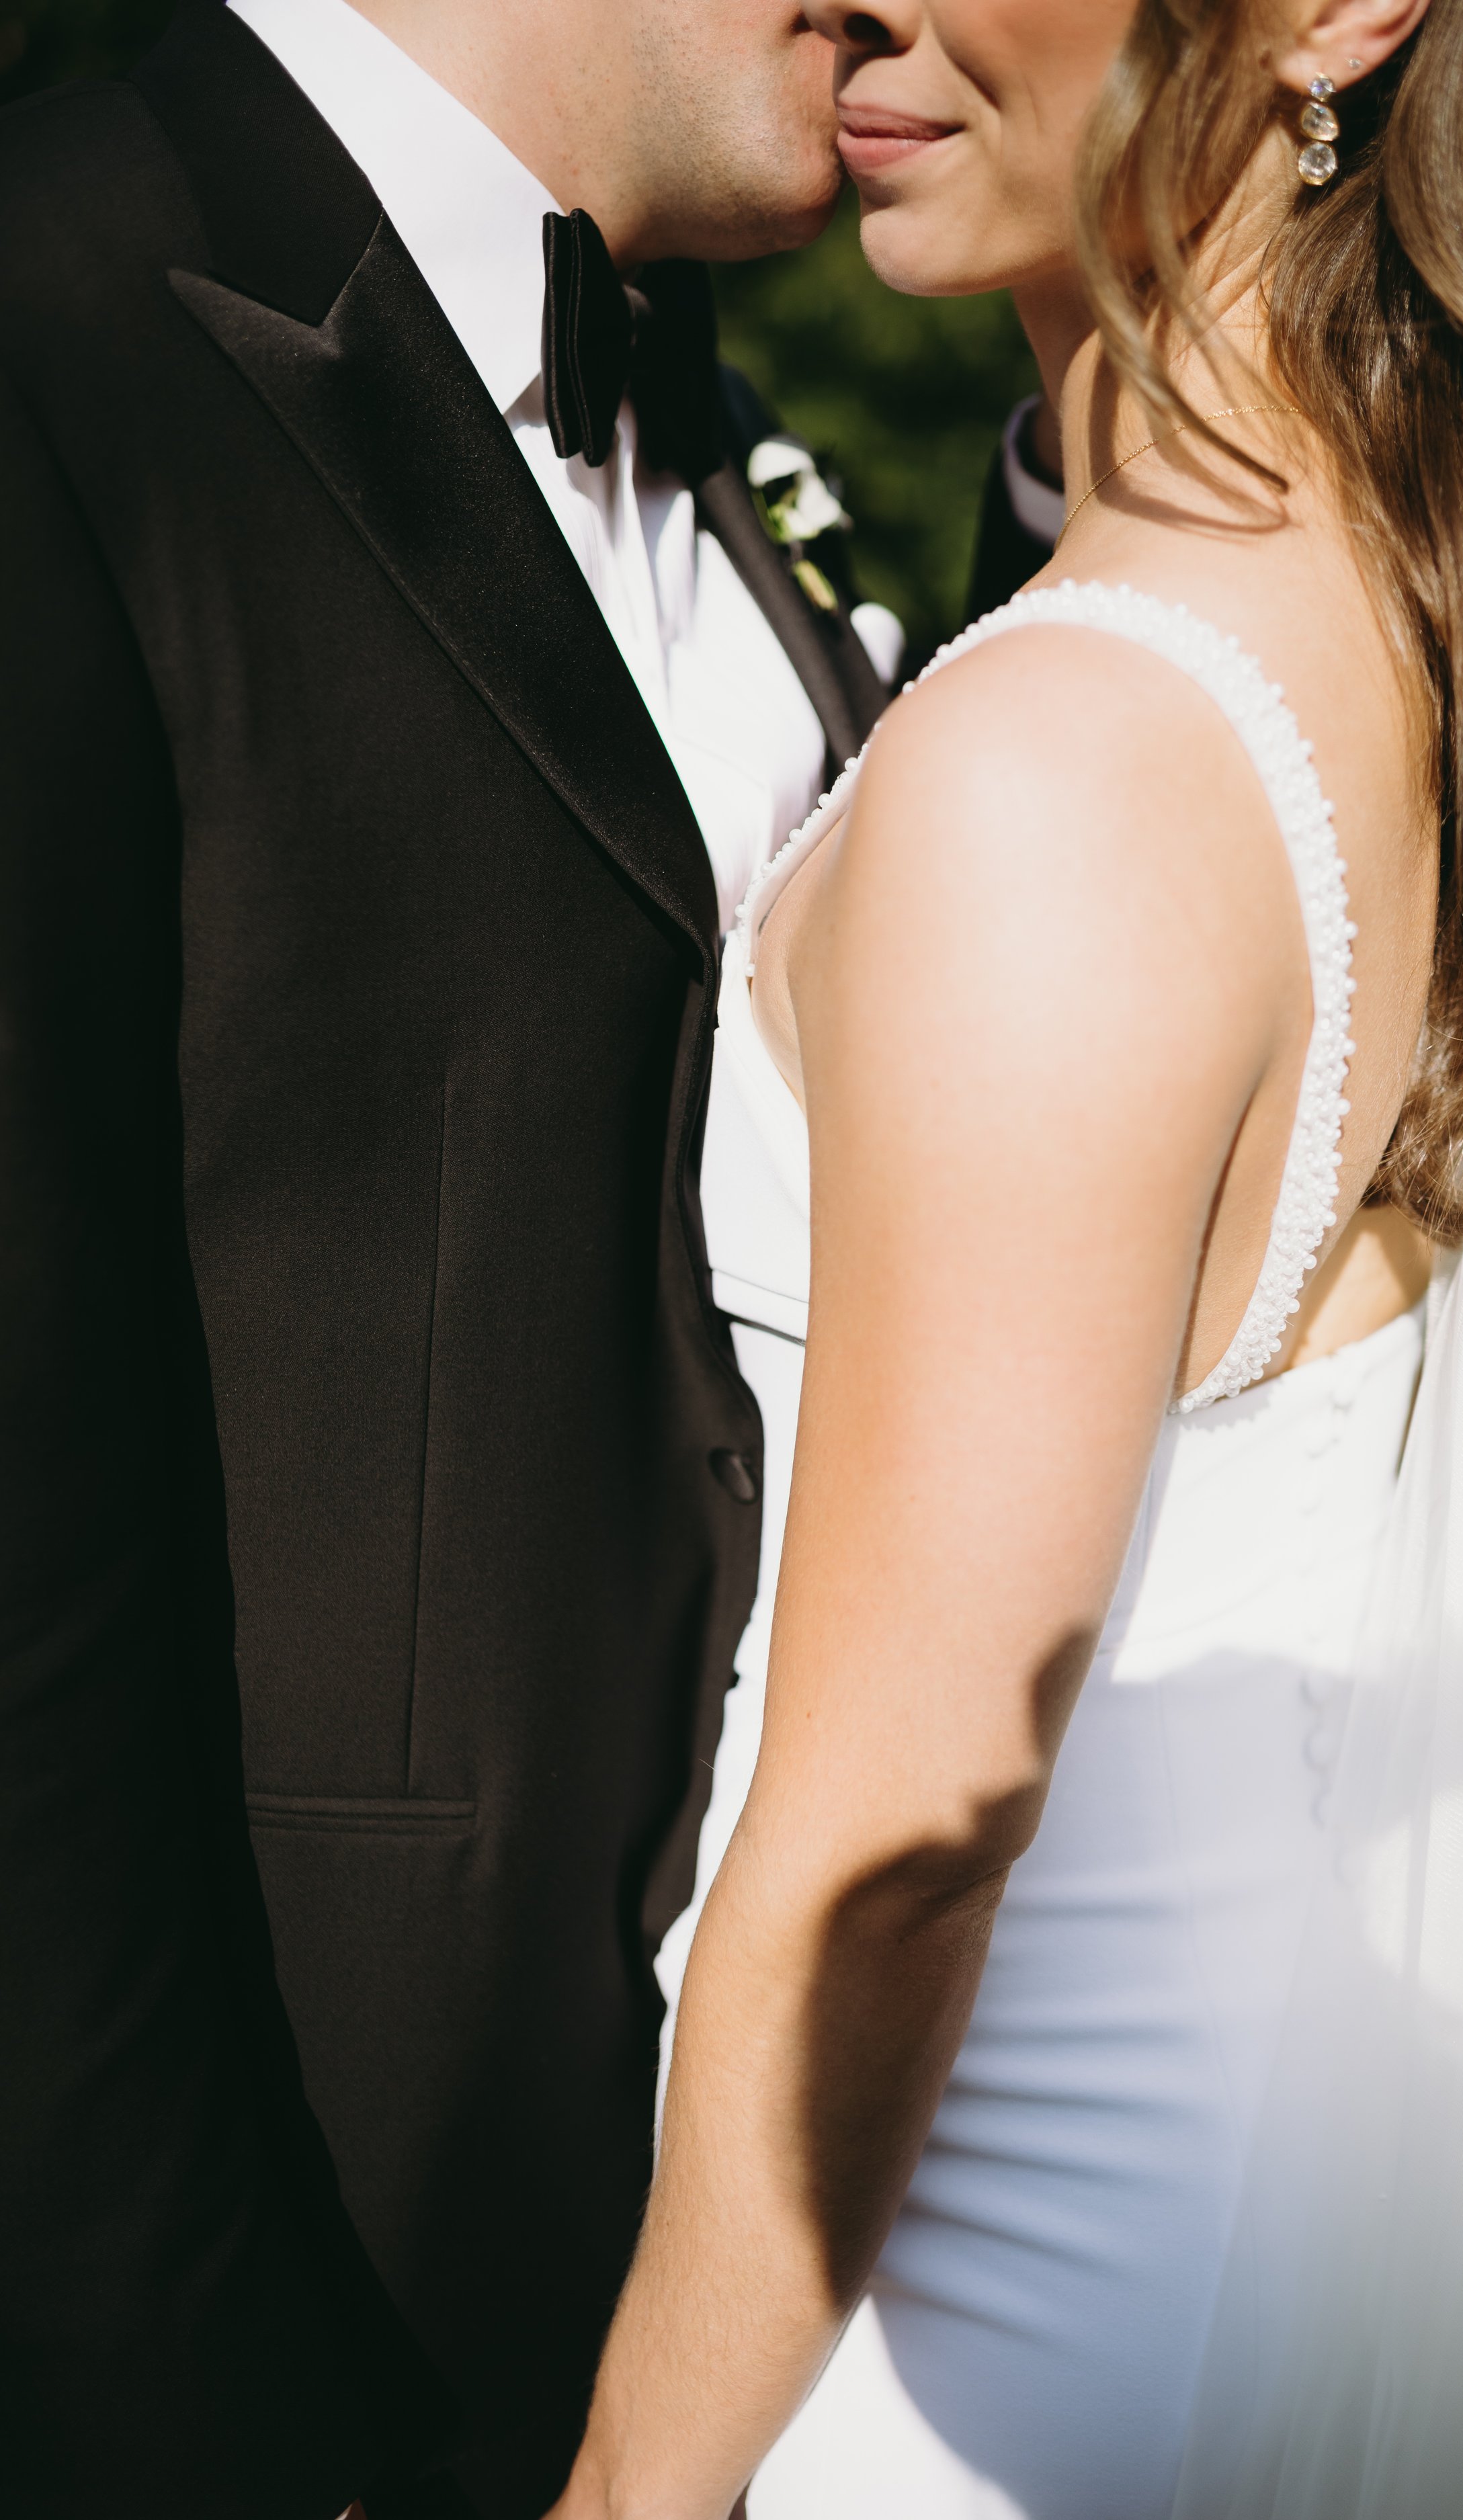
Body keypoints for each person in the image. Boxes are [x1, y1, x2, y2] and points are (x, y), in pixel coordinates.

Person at [554, 1, 1463, 2516]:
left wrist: (626, 2499)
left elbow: (903, 1823)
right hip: (1186, 2256)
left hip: (896, 2334)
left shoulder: (1063, 778)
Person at [0, 0, 898, 2511]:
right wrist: (181, 2411)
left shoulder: (700, 410)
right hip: (282, 2289)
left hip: (718, 2276)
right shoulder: (50, 318)